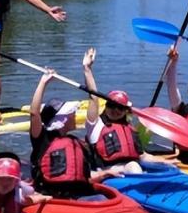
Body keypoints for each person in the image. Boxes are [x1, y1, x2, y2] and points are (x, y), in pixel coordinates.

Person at [29, 71, 120, 199]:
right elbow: (34, 113)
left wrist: (105, 173)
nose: (75, 115)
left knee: (102, 198)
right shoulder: (42, 140)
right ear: (62, 119)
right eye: (71, 113)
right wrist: (43, 82)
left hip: (80, 194)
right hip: (54, 196)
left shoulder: (77, 143)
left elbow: (84, 175)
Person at [82, 47, 162, 173]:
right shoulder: (95, 126)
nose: (115, 110)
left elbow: (143, 156)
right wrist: (87, 69)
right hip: (107, 171)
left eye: (120, 107)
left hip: (130, 169)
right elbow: (93, 97)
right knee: (134, 167)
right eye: (111, 106)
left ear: (126, 110)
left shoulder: (130, 128)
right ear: (106, 106)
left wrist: (167, 162)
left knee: (159, 167)